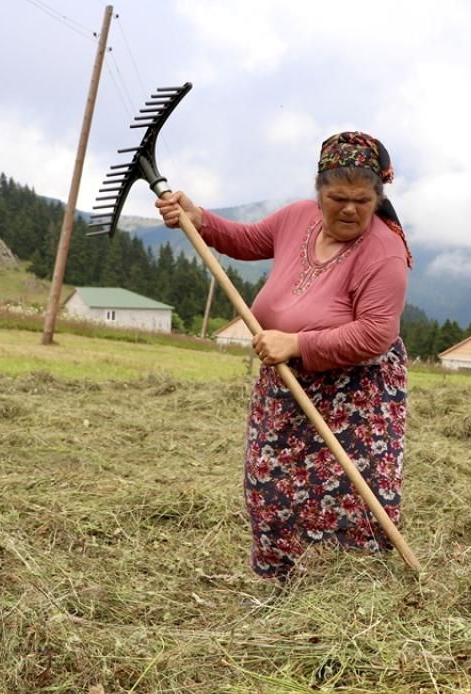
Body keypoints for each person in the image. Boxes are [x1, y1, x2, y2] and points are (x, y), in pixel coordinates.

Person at [156, 131, 412, 580]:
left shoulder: (383, 251)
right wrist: (199, 219)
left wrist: (296, 344)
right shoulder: (297, 218)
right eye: (337, 198)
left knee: (345, 493)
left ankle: (351, 590)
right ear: (318, 192)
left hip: (354, 396)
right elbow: (248, 240)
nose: (349, 209)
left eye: (362, 200)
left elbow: (376, 334)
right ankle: (281, 583)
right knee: (270, 485)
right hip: (285, 386)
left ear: (378, 197)